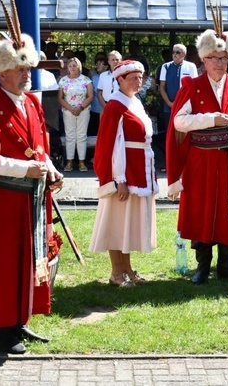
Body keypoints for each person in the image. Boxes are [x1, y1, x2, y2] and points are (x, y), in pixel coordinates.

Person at [0, 27, 63, 354]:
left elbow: (41, 147)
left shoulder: (33, 104)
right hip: (3, 202)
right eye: (20, 68)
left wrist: (51, 169)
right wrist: (27, 169)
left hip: (31, 200)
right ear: (2, 72)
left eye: (28, 67)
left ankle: (20, 320)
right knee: (4, 264)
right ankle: (2, 332)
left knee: (28, 261)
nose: (26, 74)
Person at [166, 17, 228, 284]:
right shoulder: (191, 86)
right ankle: (203, 267)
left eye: (224, 58)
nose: (220, 63)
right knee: (201, 210)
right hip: (201, 161)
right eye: (214, 58)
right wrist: (210, 119)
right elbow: (179, 122)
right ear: (204, 60)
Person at [90, 60, 158, 288]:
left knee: (127, 223)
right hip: (124, 174)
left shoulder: (134, 102)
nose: (139, 81)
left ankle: (127, 268)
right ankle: (116, 272)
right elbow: (112, 146)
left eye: (141, 77)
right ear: (119, 79)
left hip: (139, 170)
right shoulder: (115, 105)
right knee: (117, 223)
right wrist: (119, 180)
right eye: (133, 77)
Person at [57, 57, 94, 172]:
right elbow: (60, 98)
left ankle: (82, 162)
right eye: (70, 65)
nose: (72, 67)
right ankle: (69, 162)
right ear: (67, 67)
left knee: (81, 136)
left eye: (74, 65)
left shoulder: (86, 80)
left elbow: (90, 96)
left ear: (79, 66)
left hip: (83, 110)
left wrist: (80, 107)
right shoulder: (63, 80)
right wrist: (70, 108)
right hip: (68, 111)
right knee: (70, 136)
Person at [158, 44, 199, 136]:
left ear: (184, 54)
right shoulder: (165, 66)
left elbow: (194, 86)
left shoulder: (191, 66)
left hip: (186, 106)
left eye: (178, 52)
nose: (174, 54)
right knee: (169, 133)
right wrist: (169, 103)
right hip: (169, 107)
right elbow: (162, 87)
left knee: (185, 133)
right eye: (173, 52)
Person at [88, 53, 108, 136]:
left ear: (106, 66)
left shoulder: (110, 78)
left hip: (106, 110)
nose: (97, 66)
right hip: (94, 110)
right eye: (97, 64)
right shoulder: (94, 78)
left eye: (100, 64)